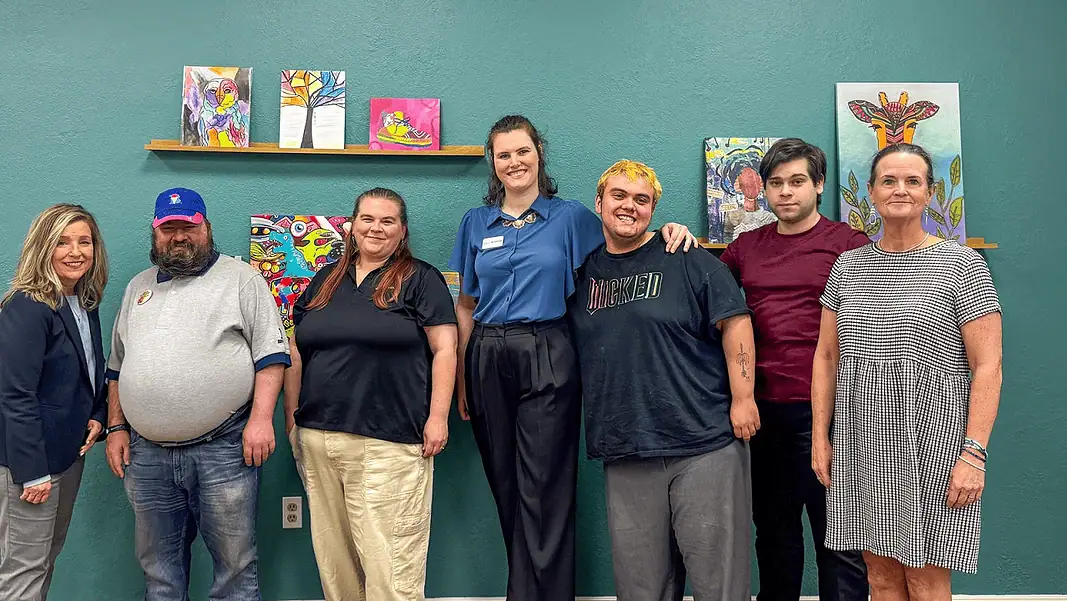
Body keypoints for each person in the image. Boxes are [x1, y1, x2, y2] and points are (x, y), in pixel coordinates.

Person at [448, 115, 697, 601]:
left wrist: (670, 229)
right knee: (505, 486)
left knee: (545, 488)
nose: (515, 162)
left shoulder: (572, 217)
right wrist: (461, 381)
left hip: (548, 349)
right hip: (486, 356)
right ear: (492, 163)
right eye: (504, 154)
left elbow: (626, 245)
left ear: (539, 153)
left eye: (523, 151)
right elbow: (466, 304)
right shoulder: (475, 223)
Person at [812, 143, 1003, 601]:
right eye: (889, 181)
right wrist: (821, 437)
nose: (900, 190)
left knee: (925, 579)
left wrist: (974, 453)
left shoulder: (962, 265)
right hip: (861, 446)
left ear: (929, 193)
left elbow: (989, 365)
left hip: (935, 447)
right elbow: (826, 357)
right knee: (878, 577)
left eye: (912, 181)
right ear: (872, 192)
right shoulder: (849, 266)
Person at [569, 160, 757, 601]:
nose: (628, 207)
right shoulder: (582, 275)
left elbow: (735, 323)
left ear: (654, 209)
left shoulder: (686, 257)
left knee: (719, 583)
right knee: (641, 588)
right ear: (599, 202)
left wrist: (743, 398)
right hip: (627, 445)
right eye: (618, 196)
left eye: (642, 200)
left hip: (705, 443)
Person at [104, 188, 290, 601]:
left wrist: (261, 420)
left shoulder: (242, 279)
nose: (179, 236)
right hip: (147, 454)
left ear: (206, 227)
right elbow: (116, 367)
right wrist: (116, 427)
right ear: (155, 234)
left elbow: (271, 355)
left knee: (236, 567)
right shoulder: (138, 287)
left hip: (224, 449)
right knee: (159, 572)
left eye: (188, 226)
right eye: (168, 228)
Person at [283, 188, 458, 601]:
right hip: (319, 438)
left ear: (402, 230)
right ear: (352, 225)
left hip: (390, 441)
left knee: (391, 566)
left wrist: (438, 417)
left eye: (387, 221)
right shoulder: (325, 280)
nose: (375, 228)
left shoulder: (420, 279)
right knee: (334, 562)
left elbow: (445, 350)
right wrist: (292, 417)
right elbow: (296, 350)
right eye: (367, 219)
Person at [719, 138, 869, 601]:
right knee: (774, 533)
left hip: (836, 412)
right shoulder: (745, 247)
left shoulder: (849, 243)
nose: (786, 192)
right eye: (776, 183)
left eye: (798, 181)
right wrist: (670, 237)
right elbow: (706, 298)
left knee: (839, 537)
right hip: (764, 411)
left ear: (818, 185)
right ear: (764, 188)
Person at [0, 204, 109, 601]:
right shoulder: (27, 307)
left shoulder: (83, 302)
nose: (75, 251)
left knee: (45, 559)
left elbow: (88, 369)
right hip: (30, 467)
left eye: (84, 241)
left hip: (66, 458)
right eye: (62, 242)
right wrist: (32, 473)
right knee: (23, 571)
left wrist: (98, 414)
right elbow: (14, 395)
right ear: (42, 247)